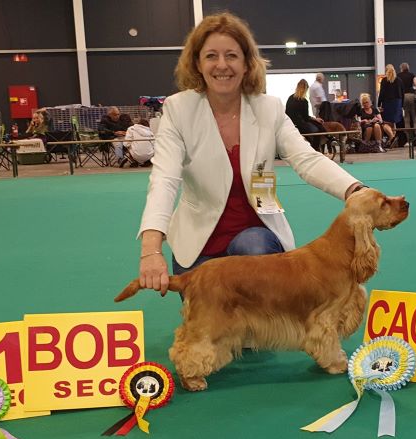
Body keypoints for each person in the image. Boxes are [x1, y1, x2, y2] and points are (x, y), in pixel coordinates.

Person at [136, 11, 369, 296]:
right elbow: (164, 179)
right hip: (198, 246)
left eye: (232, 56)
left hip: (256, 238)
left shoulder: (269, 108)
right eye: (211, 56)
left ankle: (259, 321)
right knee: (210, 319)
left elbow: (307, 159)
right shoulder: (178, 109)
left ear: (247, 63)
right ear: (197, 63)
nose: (222, 65)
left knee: (254, 246)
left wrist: (355, 190)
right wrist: (151, 249)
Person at [286, 79, 327, 152]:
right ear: (306, 89)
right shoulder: (304, 101)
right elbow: (306, 118)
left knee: (315, 123)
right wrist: (315, 119)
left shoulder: (290, 98)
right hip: (300, 125)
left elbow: (287, 113)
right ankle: (315, 150)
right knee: (317, 131)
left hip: (290, 124)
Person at [376, 64, 403, 147]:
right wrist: (402, 105)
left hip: (387, 103)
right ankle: (393, 140)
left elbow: (382, 93)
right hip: (397, 103)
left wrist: (378, 104)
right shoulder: (399, 80)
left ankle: (392, 137)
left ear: (386, 71)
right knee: (394, 122)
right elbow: (402, 93)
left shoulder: (384, 80)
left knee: (385, 123)